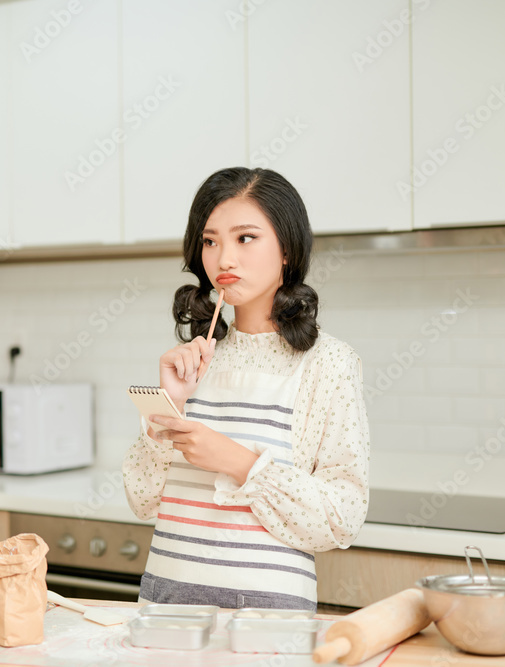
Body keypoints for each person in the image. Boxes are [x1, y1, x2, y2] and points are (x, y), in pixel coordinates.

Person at [122, 166, 370, 612]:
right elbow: (142, 500)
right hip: (167, 605)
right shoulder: (193, 360)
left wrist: (237, 461)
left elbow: (343, 519)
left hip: (267, 617)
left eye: (245, 238)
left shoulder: (328, 363)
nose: (223, 260)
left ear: (288, 250)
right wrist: (168, 407)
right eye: (210, 241)